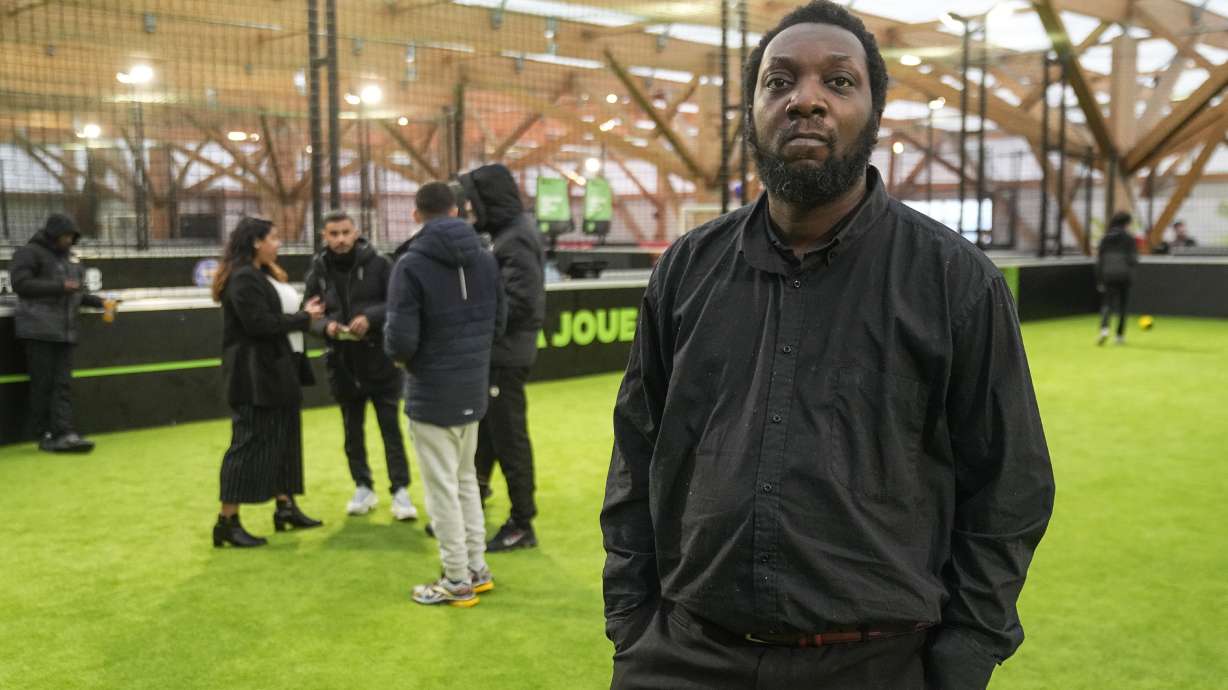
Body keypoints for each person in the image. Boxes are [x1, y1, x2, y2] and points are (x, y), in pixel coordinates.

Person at [600, 3, 1056, 688]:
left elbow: (1010, 482)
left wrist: (964, 653)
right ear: (752, 108)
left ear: (873, 113)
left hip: (874, 662)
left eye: (837, 82)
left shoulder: (954, 281)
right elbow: (637, 452)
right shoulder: (686, 270)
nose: (805, 99)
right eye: (779, 81)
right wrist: (632, 620)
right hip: (683, 654)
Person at [385, 182, 505, 606]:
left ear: (417, 214)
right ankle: (476, 567)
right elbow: (500, 324)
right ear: (457, 210)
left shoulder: (410, 264)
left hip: (432, 394)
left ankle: (456, 579)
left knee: (443, 491)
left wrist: (409, 363)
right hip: (472, 387)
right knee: (466, 481)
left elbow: (399, 341)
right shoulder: (487, 259)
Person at [211, 217, 325, 548]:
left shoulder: (260, 274)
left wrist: (304, 315)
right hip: (254, 377)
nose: (279, 243)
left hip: (277, 371)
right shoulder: (243, 278)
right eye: (274, 238)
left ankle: (285, 507)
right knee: (247, 446)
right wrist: (306, 318)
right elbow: (258, 324)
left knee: (284, 440)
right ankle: (226, 523)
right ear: (256, 241)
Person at [303, 210, 416, 521]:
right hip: (341, 364)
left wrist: (370, 319)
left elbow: (397, 304)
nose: (340, 239)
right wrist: (326, 327)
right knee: (352, 432)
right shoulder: (318, 270)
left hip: (381, 360)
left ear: (356, 233)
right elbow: (309, 313)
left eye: (345, 232)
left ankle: (400, 491)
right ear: (324, 236)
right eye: (333, 234)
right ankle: (363, 486)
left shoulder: (381, 264)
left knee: (390, 429)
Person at [458, 163, 546, 552]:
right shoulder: (506, 236)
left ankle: (522, 522)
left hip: (506, 355)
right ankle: (474, 505)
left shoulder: (514, 239)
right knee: (491, 434)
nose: (470, 209)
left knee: (508, 437)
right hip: (501, 354)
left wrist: (477, 322)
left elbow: (521, 302)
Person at [9, 213, 116, 453]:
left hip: (65, 332)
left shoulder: (71, 260)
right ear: (53, 234)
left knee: (62, 385)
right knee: (43, 384)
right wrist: (61, 287)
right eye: (66, 236)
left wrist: (101, 302)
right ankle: (46, 434)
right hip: (39, 330)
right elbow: (21, 284)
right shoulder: (29, 253)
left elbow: (76, 293)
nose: (69, 240)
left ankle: (64, 432)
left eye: (72, 236)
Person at [1096, 211, 1140, 346]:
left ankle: (1104, 330)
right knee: (1122, 306)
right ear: (1126, 223)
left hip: (1108, 274)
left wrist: (1100, 278)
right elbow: (1133, 259)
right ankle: (1119, 336)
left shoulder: (1105, 238)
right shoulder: (1129, 238)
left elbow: (1099, 259)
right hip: (1124, 275)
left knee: (1107, 304)